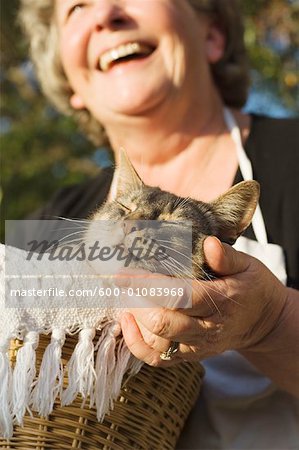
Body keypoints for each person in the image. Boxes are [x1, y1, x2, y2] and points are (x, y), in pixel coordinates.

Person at [18, 0, 299, 448]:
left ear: (211, 36)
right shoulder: (43, 230)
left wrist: (273, 320)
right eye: (76, 7)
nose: (106, 14)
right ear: (69, 80)